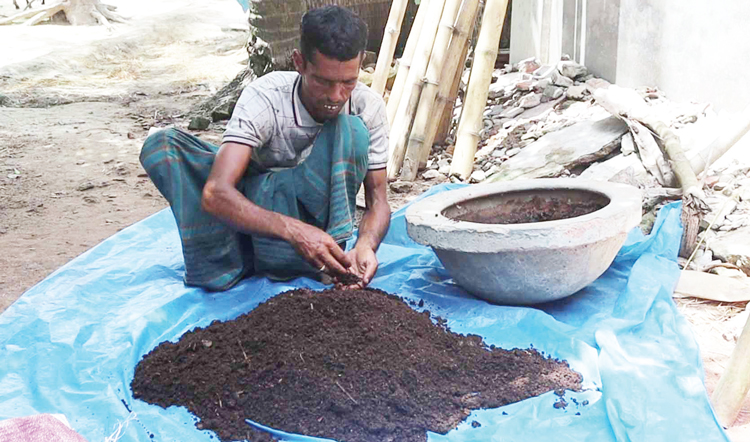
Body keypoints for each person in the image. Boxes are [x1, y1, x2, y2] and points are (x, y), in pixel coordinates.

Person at [139, 5, 390, 291]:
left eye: (349, 82)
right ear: (299, 62)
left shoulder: (367, 106)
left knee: (353, 130)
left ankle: (323, 260)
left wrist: (365, 245)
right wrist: (293, 231)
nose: (336, 96)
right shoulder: (266, 97)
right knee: (163, 146)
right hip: (257, 211)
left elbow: (378, 200)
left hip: (317, 227)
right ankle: (233, 257)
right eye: (323, 81)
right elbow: (216, 193)